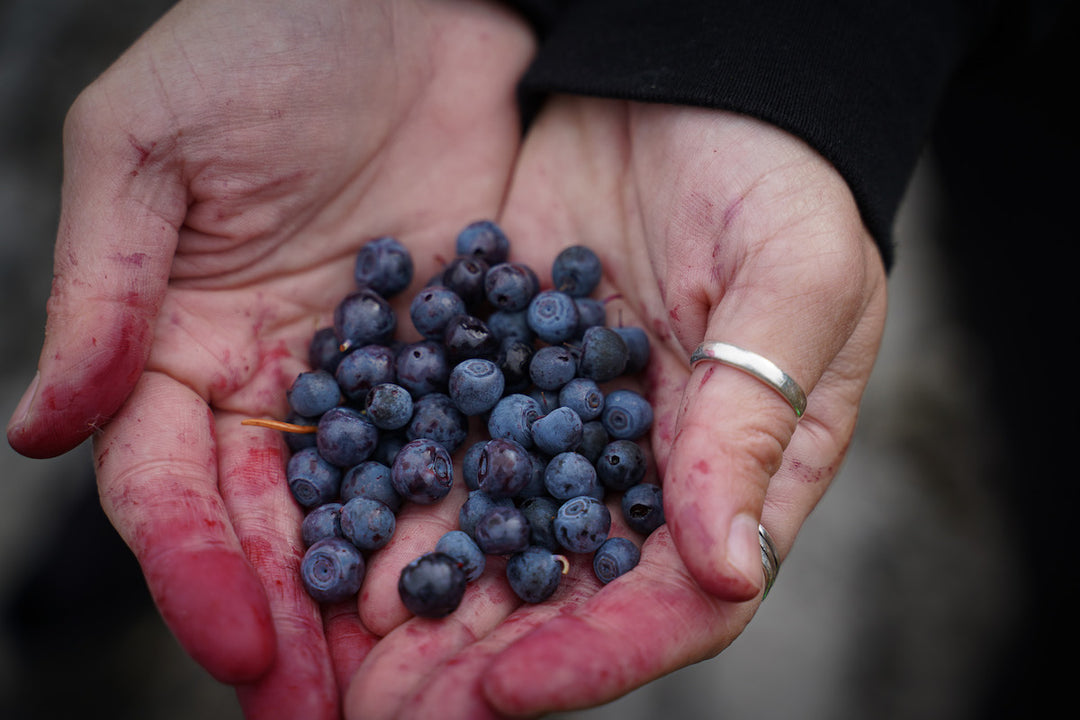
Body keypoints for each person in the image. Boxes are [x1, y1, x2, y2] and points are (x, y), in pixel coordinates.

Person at [5, 0, 1071, 718]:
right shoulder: (429, 369)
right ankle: (87, 590)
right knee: (216, 412)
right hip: (332, 253)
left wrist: (784, 66)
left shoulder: (527, 397)